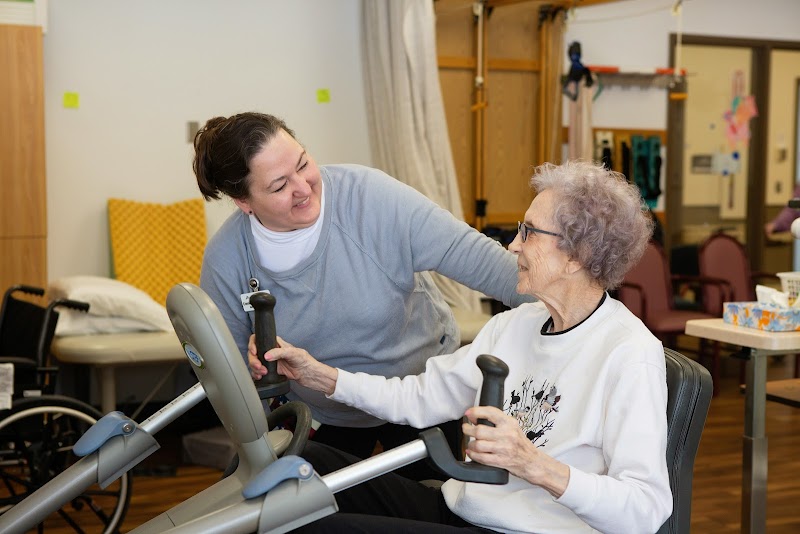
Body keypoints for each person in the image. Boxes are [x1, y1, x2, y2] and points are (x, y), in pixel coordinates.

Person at [257, 160, 673, 533]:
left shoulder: (629, 354)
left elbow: (645, 510)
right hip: (461, 508)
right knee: (299, 466)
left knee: (313, 525)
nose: (512, 245)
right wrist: (321, 376)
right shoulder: (515, 324)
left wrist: (532, 463)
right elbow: (419, 399)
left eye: (529, 233)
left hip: (523, 530)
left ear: (575, 257)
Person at [193, 112, 531, 481]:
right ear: (245, 202)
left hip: (417, 393)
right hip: (325, 411)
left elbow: (483, 262)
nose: (303, 188)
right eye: (278, 186)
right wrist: (255, 369)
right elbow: (230, 377)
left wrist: (582, 319)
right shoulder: (228, 259)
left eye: (304, 164)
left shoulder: (370, 199)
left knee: (436, 509)